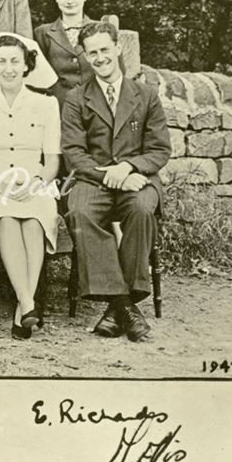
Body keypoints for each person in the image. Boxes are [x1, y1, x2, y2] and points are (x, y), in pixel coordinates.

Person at [61, 21, 171, 342]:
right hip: (92, 179)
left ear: (117, 48)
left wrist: (128, 168)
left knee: (141, 209)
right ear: (85, 55)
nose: (99, 57)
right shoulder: (77, 98)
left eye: (105, 50)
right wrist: (108, 174)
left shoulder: (146, 95)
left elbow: (159, 149)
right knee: (79, 211)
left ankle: (114, 311)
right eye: (92, 52)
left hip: (138, 178)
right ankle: (123, 306)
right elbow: (74, 154)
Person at [0, 34, 61, 339]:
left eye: (15, 61)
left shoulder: (46, 103)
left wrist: (36, 183)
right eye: (1, 61)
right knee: (5, 219)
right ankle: (28, 304)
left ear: (26, 65)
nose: (8, 68)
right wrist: (1, 187)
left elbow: (53, 162)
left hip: (36, 182)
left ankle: (24, 307)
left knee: (34, 222)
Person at [34, 0, 125, 108]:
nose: (69, 0)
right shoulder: (42, 33)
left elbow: (119, 73)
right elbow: (38, 78)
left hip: (98, 106)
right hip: (58, 107)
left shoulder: (103, 30)